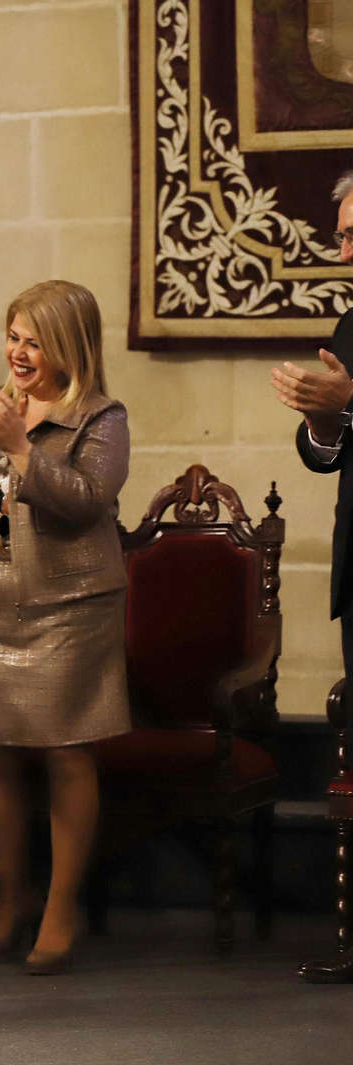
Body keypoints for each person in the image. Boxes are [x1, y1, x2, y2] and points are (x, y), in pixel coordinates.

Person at [0, 280, 130, 976]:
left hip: (68, 611)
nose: (17, 351)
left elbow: (86, 502)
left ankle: (61, 908)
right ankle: (13, 900)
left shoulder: (101, 417)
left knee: (67, 752)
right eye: (13, 336)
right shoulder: (3, 408)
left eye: (33, 340)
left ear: (68, 345)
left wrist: (20, 450)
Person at [271, 169, 353, 985]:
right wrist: (324, 419)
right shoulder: (350, 321)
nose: (343, 246)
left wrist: (350, 400)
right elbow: (329, 454)